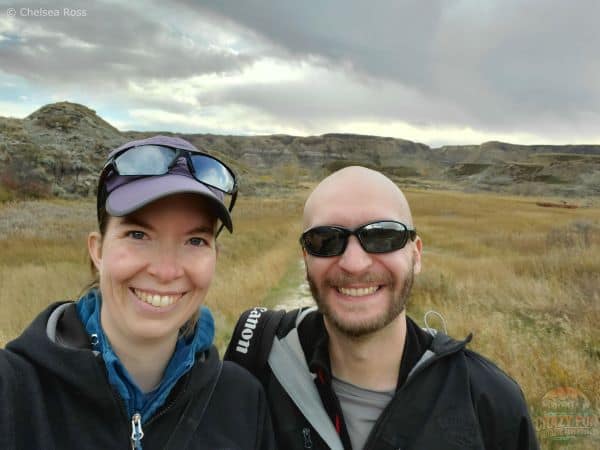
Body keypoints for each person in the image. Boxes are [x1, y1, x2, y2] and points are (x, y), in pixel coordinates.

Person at [225, 166, 539, 450]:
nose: (354, 263)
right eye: (326, 240)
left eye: (383, 236)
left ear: (416, 255)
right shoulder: (257, 369)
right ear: (306, 258)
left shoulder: (488, 402)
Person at [0, 135, 275, 450]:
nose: (166, 270)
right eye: (138, 234)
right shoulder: (13, 394)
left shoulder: (243, 402)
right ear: (98, 250)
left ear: (215, 256)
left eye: (195, 241)